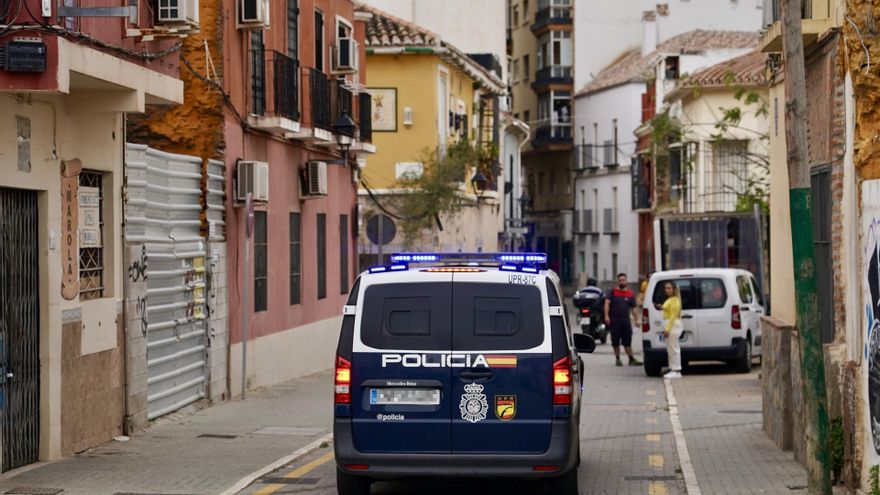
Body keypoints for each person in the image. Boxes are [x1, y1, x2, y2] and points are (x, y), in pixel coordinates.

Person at [604, 273, 642, 366]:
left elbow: (634, 308)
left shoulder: (630, 293)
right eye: (620, 280)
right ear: (617, 281)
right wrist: (606, 316)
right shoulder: (613, 292)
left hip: (625, 322)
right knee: (615, 341)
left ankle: (631, 359)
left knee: (627, 341)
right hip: (614, 321)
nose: (622, 281)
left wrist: (637, 319)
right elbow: (607, 303)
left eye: (623, 280)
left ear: (627, 281)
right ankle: (618, 359)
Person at [657, 281, 683, 379]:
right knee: (670, 348)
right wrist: (662, 307)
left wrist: (667, 329)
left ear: (674, 289)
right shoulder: (670, 299)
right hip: (669, 325)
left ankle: (676, 370)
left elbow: (673, 316)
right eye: (666, 288)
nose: (667, 290)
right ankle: (672, 368)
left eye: (669, 288)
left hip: (672, 325)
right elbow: (667, 310)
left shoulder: (675, 301)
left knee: (674, 348)